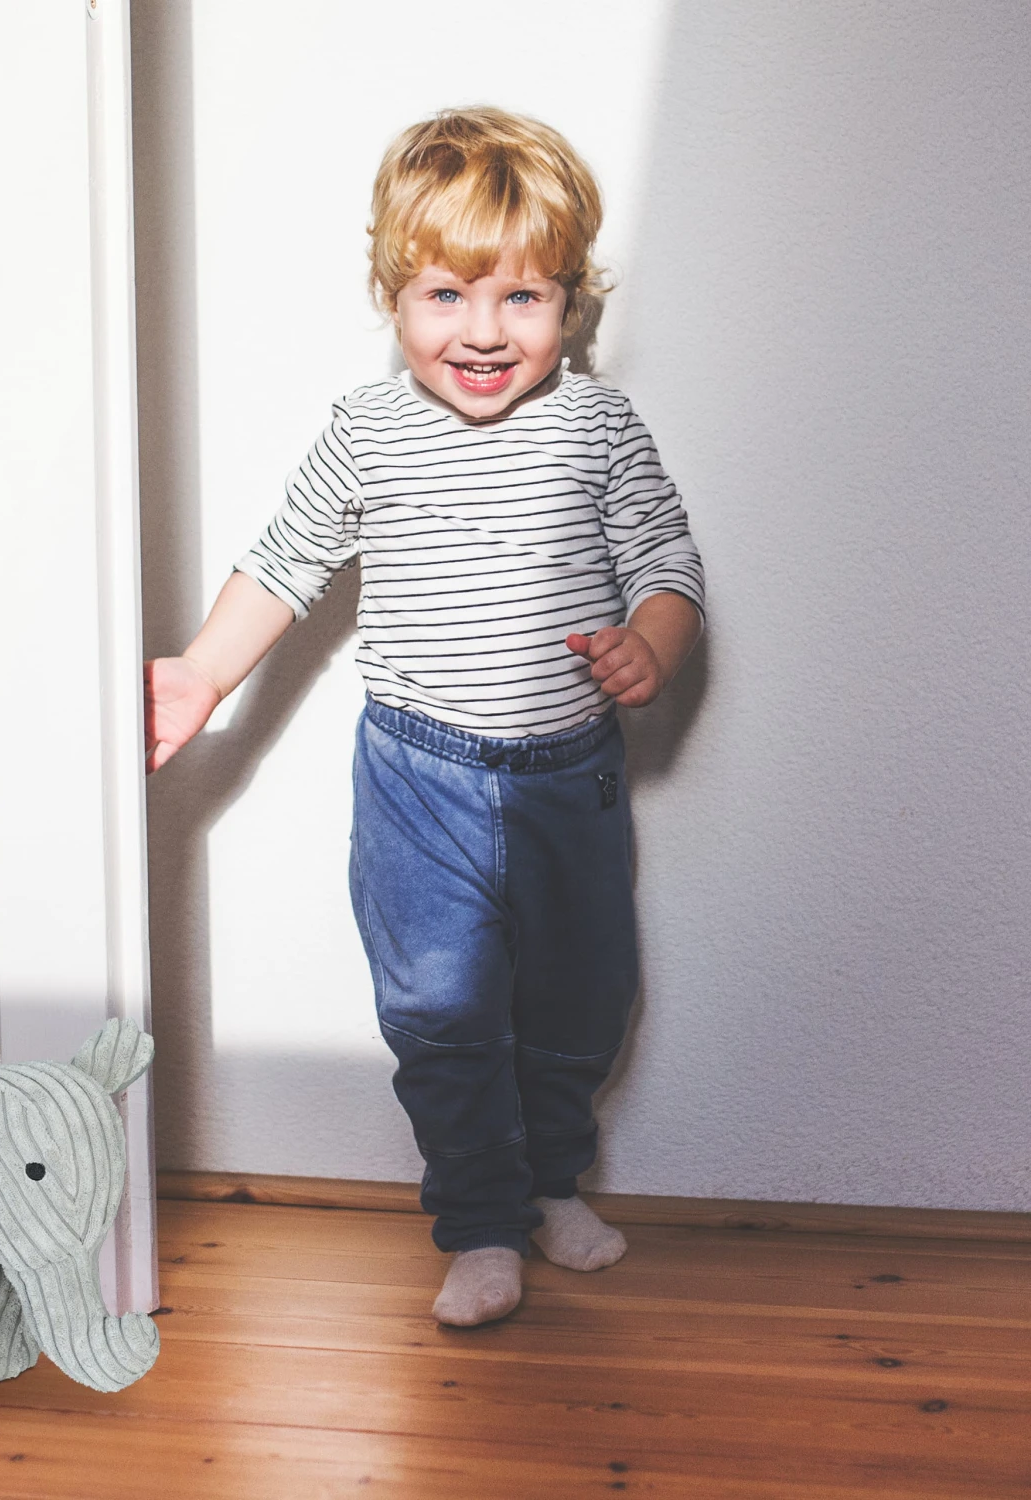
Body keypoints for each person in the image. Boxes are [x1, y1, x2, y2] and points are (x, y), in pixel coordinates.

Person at [144, 107, 705, 1327]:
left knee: (582, 1001)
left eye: (523, 298)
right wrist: (200, 673)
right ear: (393, 295)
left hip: (568, 777)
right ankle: (482, 1220)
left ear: (570, 303)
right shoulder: (368, 430)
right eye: (448, 295)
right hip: (418, 779)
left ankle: (550, 1183)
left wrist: (651, 646)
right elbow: (285, 562)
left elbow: (668, 562)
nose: (485, 332)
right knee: (441, 1011)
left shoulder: (598, 425)